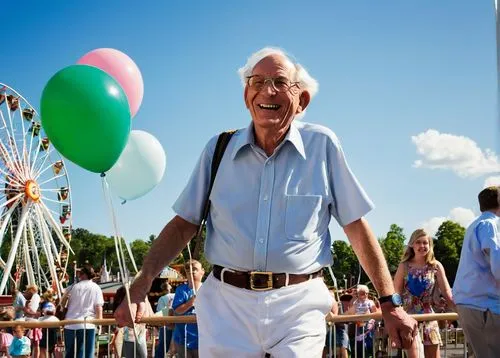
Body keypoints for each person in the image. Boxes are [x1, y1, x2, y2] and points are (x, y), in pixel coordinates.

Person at [114, 46, 418, 357]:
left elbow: (356, 227)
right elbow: (183, 226)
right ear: (247, 94)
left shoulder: (322, 146)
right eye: (257, 81)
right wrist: (141, 282)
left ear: (302, 101)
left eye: (280, 82)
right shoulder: (217, 150)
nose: (267, 91)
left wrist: (389, 302)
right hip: (225, 308)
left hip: (299, 304)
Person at [453, 186, 500, 357]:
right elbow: (498, 267)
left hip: (471, 303)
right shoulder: (490, 225)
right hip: (485, 306)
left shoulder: (475, 224)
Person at [393, 228, 455, 358]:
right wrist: (396, 317)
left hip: (429, 317)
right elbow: (396, 293)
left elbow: (447, 292)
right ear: (412, 245)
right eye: (418, 242)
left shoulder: (436, 266)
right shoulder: (404, 266)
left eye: (425, 243)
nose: (422, 246)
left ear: (430, 245)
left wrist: (460, 311)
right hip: (408, 318)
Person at [63, 264, 104, 358]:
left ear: (83, 274)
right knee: (87, 354)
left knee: (70, 354)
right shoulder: (96, 288)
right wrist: (100, 324)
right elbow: (98, 307)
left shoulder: (72, 287)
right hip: (87, 323)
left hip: (70, 323)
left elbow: (63, 305)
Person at [172, 260, 204, 358]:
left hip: (203, 339)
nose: (192, 272)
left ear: (202, 271)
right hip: (183, 339)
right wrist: (191, 302)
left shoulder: (208, 289)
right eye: (188, 270)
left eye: (195, 269)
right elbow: (177, 310)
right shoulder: (181, 290)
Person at [154, 281, 176, 358]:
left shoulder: (162, 299)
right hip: (178, 323)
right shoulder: (176, 295)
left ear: (163, 290)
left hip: (166, 324)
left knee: (163, 346)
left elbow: (160, 312)